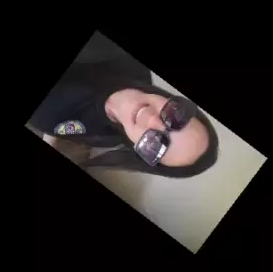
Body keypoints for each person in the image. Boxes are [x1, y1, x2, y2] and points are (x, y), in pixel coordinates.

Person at [28, 31, 219, 178]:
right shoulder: (117, 53)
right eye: (176, 116)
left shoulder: (103, 138)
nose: (153, 120)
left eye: (155, 146)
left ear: (140, 154)